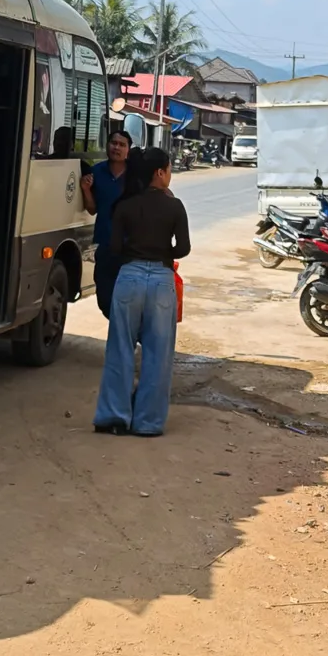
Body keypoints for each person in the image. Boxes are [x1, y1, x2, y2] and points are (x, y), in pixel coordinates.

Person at [93, 147, 189, 437]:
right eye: (169, 169)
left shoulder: (125, 206)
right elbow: (183, 249)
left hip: (129, 277)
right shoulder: (175, 206)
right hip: (161, 281)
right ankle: (148, 423)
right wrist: (161, 252)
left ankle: (113, 418)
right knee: (158, 354)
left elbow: (115, 248)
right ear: (159, 173)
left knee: (120, 348)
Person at [81, 129, 133, 317]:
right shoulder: (97, 172)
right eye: (113, 143)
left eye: (122, 145)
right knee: (104, 298)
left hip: (130, 248)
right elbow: (92, 209)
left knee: (127, 298)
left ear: (128, 150)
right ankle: (122, 331)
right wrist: (86, 190)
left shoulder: (135, 176)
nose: (116, 147)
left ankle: (125, 336)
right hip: (104, 244)